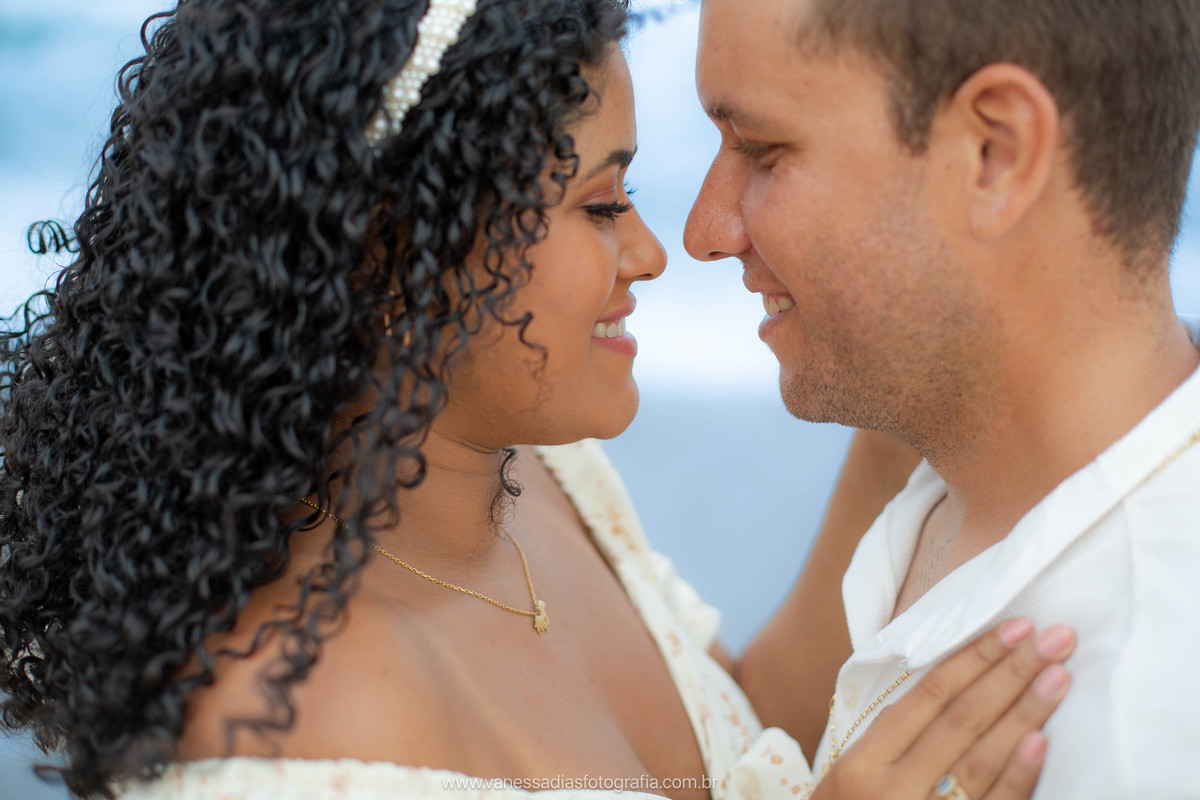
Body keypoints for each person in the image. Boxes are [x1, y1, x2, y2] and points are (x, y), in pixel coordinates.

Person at [0, 1, 1073, 799]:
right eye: (602, 202)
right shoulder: (294, 725)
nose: (652, 250)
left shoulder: (541, 481)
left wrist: (901, 425)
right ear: (389, 245)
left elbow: (729, 732)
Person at [685, 0, 1200, 797]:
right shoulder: (954, 473)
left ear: (994, 152)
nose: (705, 230)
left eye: (761, 151)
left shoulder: (1131, 726)